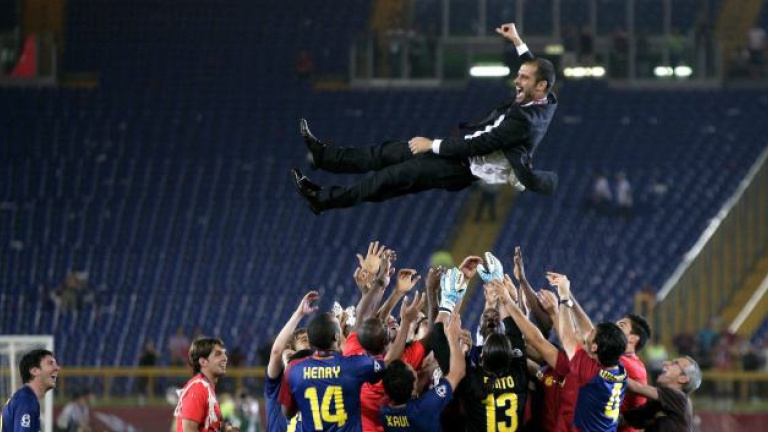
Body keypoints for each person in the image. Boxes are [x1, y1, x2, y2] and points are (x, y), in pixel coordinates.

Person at [292, 23, 558, 214]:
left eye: (524, 78)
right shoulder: (545, 96)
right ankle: (323, 156)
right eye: (519, 74)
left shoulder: (524, 123)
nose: (517, 80)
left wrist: (432, 144)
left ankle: (321, 199)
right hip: (457, 154)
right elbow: (535, 67)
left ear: (540, 87)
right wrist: (517, 41)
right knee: (386, 152)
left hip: (460, 168)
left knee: (386, 179)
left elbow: (478, 146)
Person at [279, 294, 424, 432]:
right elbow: (389, 363)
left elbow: (288, 413)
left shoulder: (292, 370)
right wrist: (406, 322)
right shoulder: (354, 366)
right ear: (337, 337)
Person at [549, 272, 628, 432]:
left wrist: (563, 298)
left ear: (594, 348)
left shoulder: (591, 375)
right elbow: (587, 330)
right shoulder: (619, 370)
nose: (587, 333)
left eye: (592, 334)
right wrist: (568, 295)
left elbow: (568, 337)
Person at [380, 312, 466, 432]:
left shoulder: (384, 413)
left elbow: (425, 372)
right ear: (414, 389)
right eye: (414, 372)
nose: (417, 370)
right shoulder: (426, 405)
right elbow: (459, 372)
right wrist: (453, 338)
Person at [265, 291, 319, 432]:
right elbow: (276, 352)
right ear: (290, 348)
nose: (309, 342)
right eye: (303, 339)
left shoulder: (319, 375)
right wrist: (299, 313)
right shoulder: (278, 380)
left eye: (310, 340)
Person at [174, 338, 238, 432]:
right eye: (218, 354)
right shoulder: (198, 388)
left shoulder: (206, 388)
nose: (225, 358)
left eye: (224, 354)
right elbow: (188, 429)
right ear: (203, 362)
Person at [622, 356, 702, 432]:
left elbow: (636, 388)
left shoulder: (680, 398)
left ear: (683, 378)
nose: (665, 363)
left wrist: (615, 371)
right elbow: (626, 419)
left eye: (675, 363)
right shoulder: (659, 404)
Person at [1, 349, 61, 432]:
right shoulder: (26, 400)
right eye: (50, 363)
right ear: (34, 371)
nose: (57, 368)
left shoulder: (26, 398)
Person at [615, 314, 650, 432]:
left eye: (621, 325)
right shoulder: (634, 363)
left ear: (632, 338)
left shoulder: (624, 363)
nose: (613, 327)